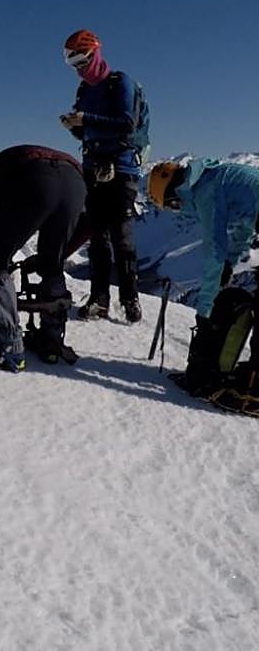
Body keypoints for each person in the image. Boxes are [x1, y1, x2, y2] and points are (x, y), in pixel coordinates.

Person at [0, 145, 87, 370]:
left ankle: (8, 344)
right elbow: (89, 226)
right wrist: (52, 257)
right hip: (75, 182)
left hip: (34, 178)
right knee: (52, 265)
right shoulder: (1, 171)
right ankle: (51, 340)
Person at [147, 158, 259, 401]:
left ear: (175, 194)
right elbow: (245, 226)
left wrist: (205, 307)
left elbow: (213, 250)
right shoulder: (211, 178)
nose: (178, 209)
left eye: (173, 205)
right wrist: (231, 260)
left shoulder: (205, 191)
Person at [60, 29, 144, 323]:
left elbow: (126, 124)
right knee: (97, 235)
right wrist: (76, 127)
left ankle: (129, 298)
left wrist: (85, 120)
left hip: (121, 167)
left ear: (95, 54)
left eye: (81, 62)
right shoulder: (86, 91)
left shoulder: (120, 83)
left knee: (120, 234)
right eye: (74, 66)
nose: (79, 70)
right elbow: (89, 130)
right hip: (94, 165)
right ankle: (100, 299)